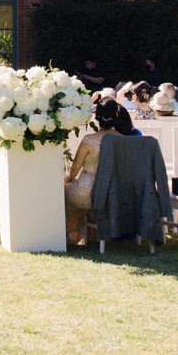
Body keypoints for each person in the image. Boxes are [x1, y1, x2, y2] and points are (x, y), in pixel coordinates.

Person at [63, 98, 126, 245]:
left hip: (88, 192)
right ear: (116, 116)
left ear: (97, 117)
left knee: (64, 190)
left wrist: (70, 179)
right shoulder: (123, 140)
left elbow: (75, 167)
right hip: (113, 193)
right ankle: (93, 235)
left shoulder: (89, 140)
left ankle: (68, 235)